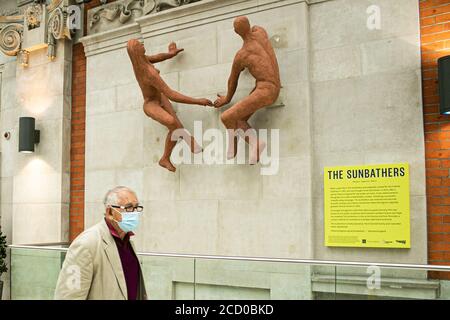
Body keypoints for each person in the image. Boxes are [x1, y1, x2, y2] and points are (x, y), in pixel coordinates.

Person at [127, 39, 213, 172]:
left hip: (160, 97)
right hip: (151, 104)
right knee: (172, 122)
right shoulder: (149, 73)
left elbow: (156, 57)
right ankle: (185, 143)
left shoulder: (141, 61)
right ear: (137, 50)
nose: (143, 45)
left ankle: (166, 158)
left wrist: (171, 54)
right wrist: (198, 101)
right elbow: (172, 94)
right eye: (140, 44)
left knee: (176, 125)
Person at [54, 186, 147, 300]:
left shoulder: (128, 242)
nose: (134, 213)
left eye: (136, 207)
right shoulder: (86, 244)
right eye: (128, 208)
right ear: (110, 212)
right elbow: (69, 296)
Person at [214, 16, 281, 164]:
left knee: (226, 117)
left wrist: (226, 99)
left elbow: (232, 80)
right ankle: (246, 141)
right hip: (272, 85)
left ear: (236, 32)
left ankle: (252, 143)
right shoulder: (260, 32)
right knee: (239, 120)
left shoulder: (242, 56)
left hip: (265, 89)